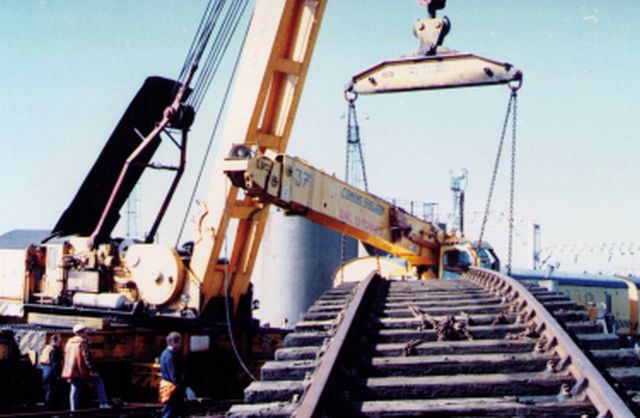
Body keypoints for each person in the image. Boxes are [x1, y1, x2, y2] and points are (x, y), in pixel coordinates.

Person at [61, 323, 111, 410]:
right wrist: (93, 371)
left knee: (75, 389)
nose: (87, 332)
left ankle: (73, 410)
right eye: (85, 330)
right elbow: (87, 358)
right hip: (82, 370)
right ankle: (103, 403)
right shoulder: (82, 343)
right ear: (81, 332)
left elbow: (66, 356)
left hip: (72, 370)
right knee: (99, 381)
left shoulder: (69, 343)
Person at [159, 331, 184, 418]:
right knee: (170, 411)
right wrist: (182, 387)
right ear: (173, 342)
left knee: (169, 410)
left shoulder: (164, 353)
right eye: (180, 342)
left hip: (166, 386)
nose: (181, 345)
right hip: (172, 388)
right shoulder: (171, 356)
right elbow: (173, 374)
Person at [41, 334, 63, 409]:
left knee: (47, 390)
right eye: (59, 341)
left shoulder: (46, 348)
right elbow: (55, 363)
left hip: (45, 370)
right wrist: (58, 375)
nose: (60, 343)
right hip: (51, 372)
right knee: (51, 390)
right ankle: (49, 407)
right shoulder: (54, 349)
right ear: (55, 341)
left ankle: (47, 405)